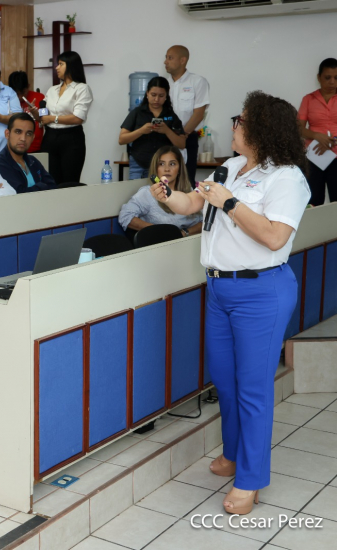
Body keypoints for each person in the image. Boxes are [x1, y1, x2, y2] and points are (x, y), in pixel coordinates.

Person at [151, 91, 310, 515]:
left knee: (253, 388)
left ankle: (251, 479)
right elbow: (191, 203)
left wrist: (231, 203)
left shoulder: (288, 178)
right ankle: (234, 454)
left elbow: (275, 237)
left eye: (240, 120)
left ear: (260, 130)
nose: (234, 126)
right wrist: (166, 195)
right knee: (225, 380)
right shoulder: (231, 167)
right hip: (220, 288)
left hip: (261, 291)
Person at [118, 145, 202, 236]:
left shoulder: (189, 190)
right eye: (161, 164)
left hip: (188, 241)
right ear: (156, 168)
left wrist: (183, 233)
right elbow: (125, 216)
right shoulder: (147, 193)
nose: (167, 169)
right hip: (158, 242)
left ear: (179, 169)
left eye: (172, 164)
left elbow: (202, 221)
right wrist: (158, 231)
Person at [38, 52, 93, 186]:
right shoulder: (52, 90)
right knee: (50, 181)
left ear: (71, 66)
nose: (57, 67)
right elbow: (44, 115)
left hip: (71, 138)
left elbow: (78, 118)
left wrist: (52, 118)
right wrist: (37, 113)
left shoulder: (82, 88)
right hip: (50, 137)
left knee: (70, 182)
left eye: (61, 64)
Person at [119, 77, 186, 180]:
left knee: (159, 190)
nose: (156, 99)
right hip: (138, 163)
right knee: (135, 190)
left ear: (166, 96)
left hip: (162, 166)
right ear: (147, 94)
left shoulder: (171, 115)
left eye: (161, 96)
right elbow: (121, 139)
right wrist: (141, 131)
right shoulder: (137, 113)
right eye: (153, 95)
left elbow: (182, 144)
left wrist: (167, 131)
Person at [164, 45, 211, 184]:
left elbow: (198, 114)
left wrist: (181, 135)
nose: (165, 61)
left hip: (188, 138)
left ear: (182, 60)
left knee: (186, 180)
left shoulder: (198, 81)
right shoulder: (163, 83)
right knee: (164, 181)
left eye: (170, 58)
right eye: (166, 58)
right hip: (165, 138)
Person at [298, 58, 337, 206]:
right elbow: (298, 128)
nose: (332, 82)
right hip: (314, 157)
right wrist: (317, 136)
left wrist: (333, 141)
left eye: (336, 78)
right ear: (319, 77)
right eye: (327, 77)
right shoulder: (308, 99)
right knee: (313, 201)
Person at [0, 113, 57, 194]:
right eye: (18, 132)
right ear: (7, 134)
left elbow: (52, 186)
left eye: (28, 134)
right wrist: (42, 186)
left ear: (33, 138)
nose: (23, 138)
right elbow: (19, 194)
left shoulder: (33, 161)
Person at [8, 70, 44, 153]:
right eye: (16, 93)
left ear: (28, 86)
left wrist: (36, 114)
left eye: (23, 92)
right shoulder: (7, 100)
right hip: (14, 148)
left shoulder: (40, 98)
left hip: (36, 147)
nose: (20, 97)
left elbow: (44, 120)